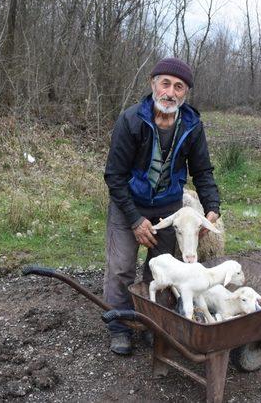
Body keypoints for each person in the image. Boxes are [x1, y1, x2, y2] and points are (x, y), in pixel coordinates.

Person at [103, 57, 221, 355]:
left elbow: (203, 172)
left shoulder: (192, 125)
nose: (170, 92)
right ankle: (119, 325)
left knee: (165, 272)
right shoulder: (131, 120)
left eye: (178, 87)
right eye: (165, 83)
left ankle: (150, 322)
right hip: (128, 203)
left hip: (170, 209)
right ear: (152, 84)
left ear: (185, 93)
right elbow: (114, 176)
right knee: (120, 268)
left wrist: (212, 209)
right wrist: (134, 220)